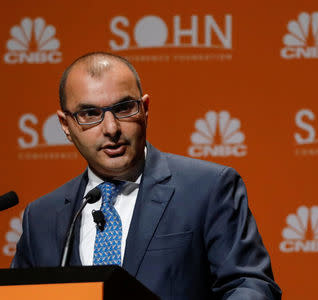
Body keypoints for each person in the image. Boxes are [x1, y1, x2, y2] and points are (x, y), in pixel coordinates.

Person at [12, 52, 281, 299]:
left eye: (124, 108)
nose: (111, 128)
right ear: (66, 125)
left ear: (145, 109)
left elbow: (249, 285)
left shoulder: (208, 189)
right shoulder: (41, 217)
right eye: (90, 114)